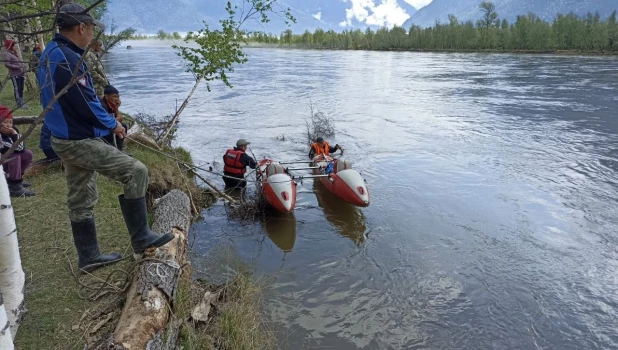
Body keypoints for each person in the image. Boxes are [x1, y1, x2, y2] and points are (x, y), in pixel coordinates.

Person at [36, 3, 174, 274]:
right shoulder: (67, 59)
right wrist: (113, 124)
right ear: (81, 27)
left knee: (81, 196)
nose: (93, 36)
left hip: (62, 136)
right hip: (76, 139)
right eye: (91, 30)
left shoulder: (51, 52)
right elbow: (85, 104)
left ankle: (89, 257)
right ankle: (141, 237)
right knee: (136, 171)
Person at [1, 105, 35, 197]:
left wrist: (14, 134)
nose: (8, 125)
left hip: (5, 160)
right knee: (13, 156)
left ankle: (16, 179)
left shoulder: (12, 131)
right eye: (5, 122)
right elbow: (8, 149)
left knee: (27, 154)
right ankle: (14, 186)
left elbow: (20, 148)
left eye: (10, 122)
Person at [101, 85, 128, 152]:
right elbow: (113, 120)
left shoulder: (111, 104)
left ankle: (119, 149)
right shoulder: (102, 105)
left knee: (123, 126)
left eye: (118, 96)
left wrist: (116, 108)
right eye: (114, 96)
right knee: (120, 127)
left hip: (106, 126)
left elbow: (118, 118)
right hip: (99, 129)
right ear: (107, 97)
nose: (117, 99)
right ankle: (112, 149)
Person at [2, 40, 27, 107]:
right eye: (14, 46)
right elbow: (7, 64)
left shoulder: (14, 53)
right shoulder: (7, 54)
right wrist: (16, 67)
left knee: (21, 88)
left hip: (20, 73)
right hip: (14, 74)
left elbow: (18, 62)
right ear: (10, 46)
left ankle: (22, 102)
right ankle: (19, 103)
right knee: (17, 88)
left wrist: (23, 67)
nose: (16, 47)